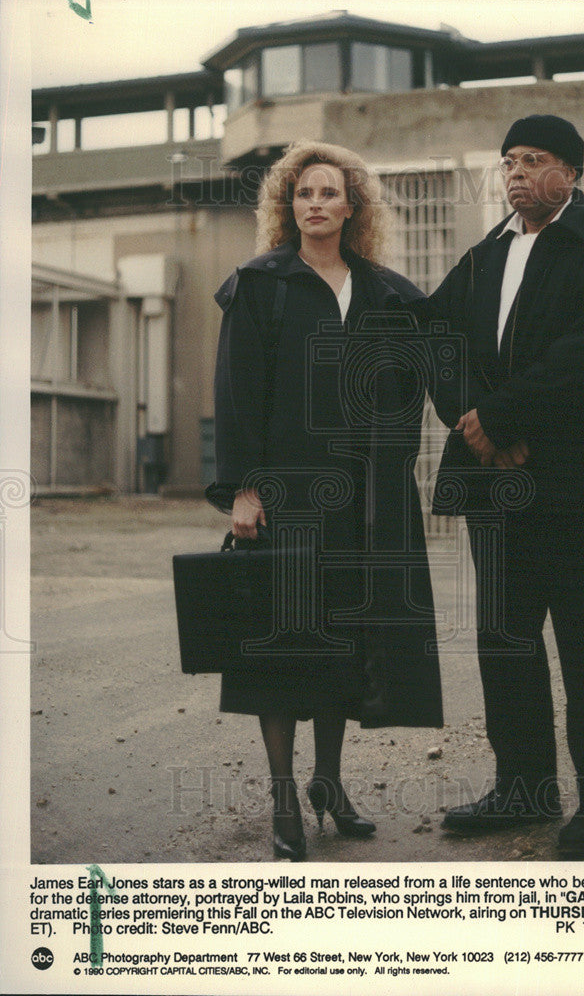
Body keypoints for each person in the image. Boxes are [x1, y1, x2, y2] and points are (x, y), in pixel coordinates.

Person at [425, 115, 584, 857]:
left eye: (533, 160)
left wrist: (499, 416)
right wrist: (475, 425)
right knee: (506, 642)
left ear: (571, 171)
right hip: (495, 484)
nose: (516, 174)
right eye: (507, 162)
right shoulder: (482, 255)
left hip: (576, 481)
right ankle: (522, 789)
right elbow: (436, 341)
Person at [206, 141, 443, 861]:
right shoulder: (260, 285)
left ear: (351, 207)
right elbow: (237, 392)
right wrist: (243, 490)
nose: (314, 203)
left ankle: (328, 783)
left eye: (328, 193)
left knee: (344, 641)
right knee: (281, 648)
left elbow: (410, 396)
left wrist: (392, 472)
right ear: (288, 205)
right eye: (302, 193)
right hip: (285, 496)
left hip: (362, 501)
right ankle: (283, 799)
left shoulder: (387, 293)